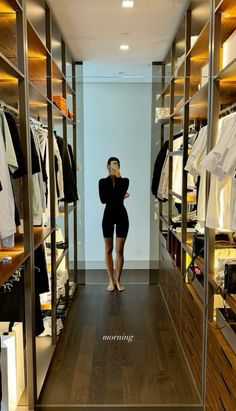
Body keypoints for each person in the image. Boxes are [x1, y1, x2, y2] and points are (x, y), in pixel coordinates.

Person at [99, 157, 129, 292]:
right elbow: (103, 199)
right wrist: (120, 195)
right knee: (108, 250)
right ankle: (111, 280)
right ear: (107, 167)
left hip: (122, 215)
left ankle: (118, 280)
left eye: (117, 164)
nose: (115, 166)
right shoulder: (102, 182)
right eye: (112, 164)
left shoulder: (124, 181)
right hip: (108, 216)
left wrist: (118, 178)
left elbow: (119, 193)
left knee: (119, 250)